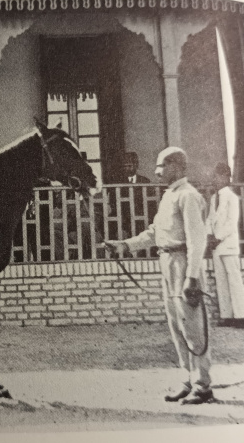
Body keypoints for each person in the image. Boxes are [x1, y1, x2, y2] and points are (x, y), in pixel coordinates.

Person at [106, 147, 211, 404]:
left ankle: (203, 385)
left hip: (184, 263)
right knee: (177, 326)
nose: (156, 171)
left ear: (176, 166)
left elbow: (197, 241)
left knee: (193, 326)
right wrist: (124, 245)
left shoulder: (188, 196)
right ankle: (187, 379)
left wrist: (192, 277)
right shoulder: (168, 197)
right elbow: (154, 233)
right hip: (167, 261)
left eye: (162, 166)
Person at [206, 162, 244, 328]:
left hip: (228, 244)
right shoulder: (214, 198)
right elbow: (210, 218)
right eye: (214, 176)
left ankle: (241, 315)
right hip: (217, 246)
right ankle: (227, 315)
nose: (214, 179)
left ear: (225, 177)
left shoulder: (232, 197)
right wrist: (209, 234)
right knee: (221, 281)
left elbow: (231, 223)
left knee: (234, 280)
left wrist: (218, 238)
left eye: (217, 176)